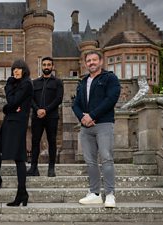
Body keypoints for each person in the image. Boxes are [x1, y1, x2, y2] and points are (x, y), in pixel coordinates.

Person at [72, 50, 121, 208]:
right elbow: (76, 104)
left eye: (94, 60)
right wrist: (83, 118)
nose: (91, 63)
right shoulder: (82, 82)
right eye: (88, 61)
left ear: (100, 61)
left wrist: (92, 115)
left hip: (103, 124)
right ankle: (94, 193)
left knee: (106, 158)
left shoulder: (110, 78)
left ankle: (110, 194)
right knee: (90, 161)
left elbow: (111, 99)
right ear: (85, 63)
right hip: (86, 127)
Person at [0, 59, 33, 207]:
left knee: (19, 157)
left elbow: (12, 101)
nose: (16, 71)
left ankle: (22, 193)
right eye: (14, 69)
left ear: (24, 70)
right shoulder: (17, 84)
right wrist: (9, 107)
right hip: (10, 121)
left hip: (17, 123)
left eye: (19, 69)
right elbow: (12, 104)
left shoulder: (26, 84)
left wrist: (8, 105)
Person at [27, 56, 63, 177]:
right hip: (37, 117)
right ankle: (33, 168)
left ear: (52, 67)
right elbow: (30, 98)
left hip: (51, 116)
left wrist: (45, 110)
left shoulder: (58, 82)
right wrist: (37, 110)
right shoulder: (34, 83)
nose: (46, 67)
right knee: (35, 142)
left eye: (49, 65)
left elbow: (58, 99)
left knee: (52, 141)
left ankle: (51, 168)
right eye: (44, 65)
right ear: (41, 67)